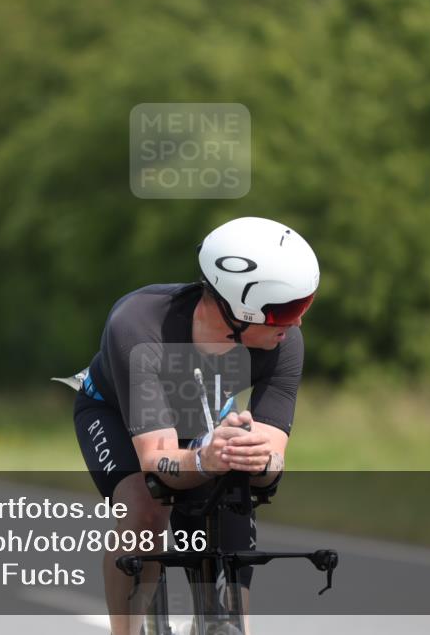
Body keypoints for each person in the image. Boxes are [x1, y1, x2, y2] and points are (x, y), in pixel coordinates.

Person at [71, 216, 319, 635]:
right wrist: (205, 459)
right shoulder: (138, 324)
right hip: (114, 413)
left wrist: (256, 458)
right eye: (289, 309)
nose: (298, 322)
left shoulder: (284, 342)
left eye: (305, 305)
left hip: (202, 418)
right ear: (241, 306)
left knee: (237, 497)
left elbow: (272, 464)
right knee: (145, 509)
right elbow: (156, 462)